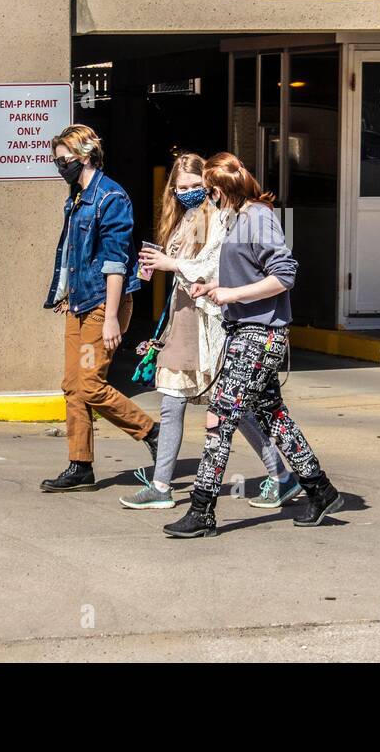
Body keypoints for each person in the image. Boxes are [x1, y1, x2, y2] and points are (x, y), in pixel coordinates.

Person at [163, 152, 343, 538]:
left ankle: (202, 510)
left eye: (209, 192)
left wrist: (231, 294)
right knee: (272, 417)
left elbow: (284, 275)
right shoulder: (237, 218)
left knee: (220, 417)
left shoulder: (258, 217)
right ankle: (320, 489)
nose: (207, 199)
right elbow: (243, 273)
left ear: (222, 189)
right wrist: (215, 289)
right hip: (245, 330)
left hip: (259, 335)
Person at [121, 152, 301, 511]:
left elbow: (219, 266)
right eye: (181, 187)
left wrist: (173, 264)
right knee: (172, 400)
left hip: (212, 322)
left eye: (195, 187)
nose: (189, 192)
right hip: (184, 319)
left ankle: (282, 476)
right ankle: (160, 485)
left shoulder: (224, 218)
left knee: (237, 407)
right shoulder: (186, 217)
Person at [40, 124, 159, 493]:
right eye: (57, 161)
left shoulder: (111, 198)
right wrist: (65, 292)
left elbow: (114, 263)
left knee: (91, 384)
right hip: (79, 303)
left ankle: (154, 433)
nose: (60, 167)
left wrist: (109, 319)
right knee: (72, 387)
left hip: (101, 307)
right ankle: (80, 465)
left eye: (65, 160)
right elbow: (74, 254)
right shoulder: (76, 198)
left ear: (86, 156)